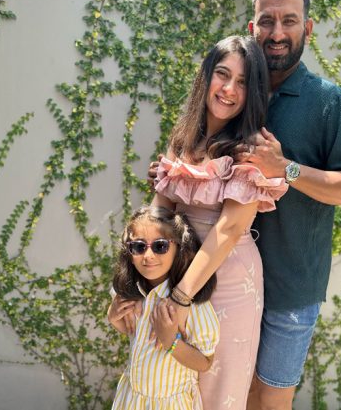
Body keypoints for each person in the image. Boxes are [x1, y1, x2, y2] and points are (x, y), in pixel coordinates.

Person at [145, 0, 341, 409]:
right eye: (267, 21)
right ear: (253, 28)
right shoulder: (234, 94)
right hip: (218, 281)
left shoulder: (330, 102)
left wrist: (284, 169)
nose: (277, 32)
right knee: (212, 393)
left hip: (289, 289)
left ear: (307, 28)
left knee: (268, 401)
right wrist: (175, 175)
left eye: (290, 21)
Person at [134, 35, 288, 410]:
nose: (229, 89)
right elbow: (159, 215)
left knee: (218, 395)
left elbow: (230, 228)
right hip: (177, 279)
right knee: (171, 386)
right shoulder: (183, 137)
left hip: (229, 286)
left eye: (241, 82)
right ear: (206, 77)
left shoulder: (251, 149)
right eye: (222, 74)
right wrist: (132, 286)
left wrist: (181, 297)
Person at [107, 205, 219, 409]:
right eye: (139, 247)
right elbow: (135, 334)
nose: (148, 256)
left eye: (159, 246)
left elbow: (205, 362)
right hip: (133, 399)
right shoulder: (134, 292)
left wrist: (171, 341)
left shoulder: (190, 306)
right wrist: (113, 317)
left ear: (179, 248)